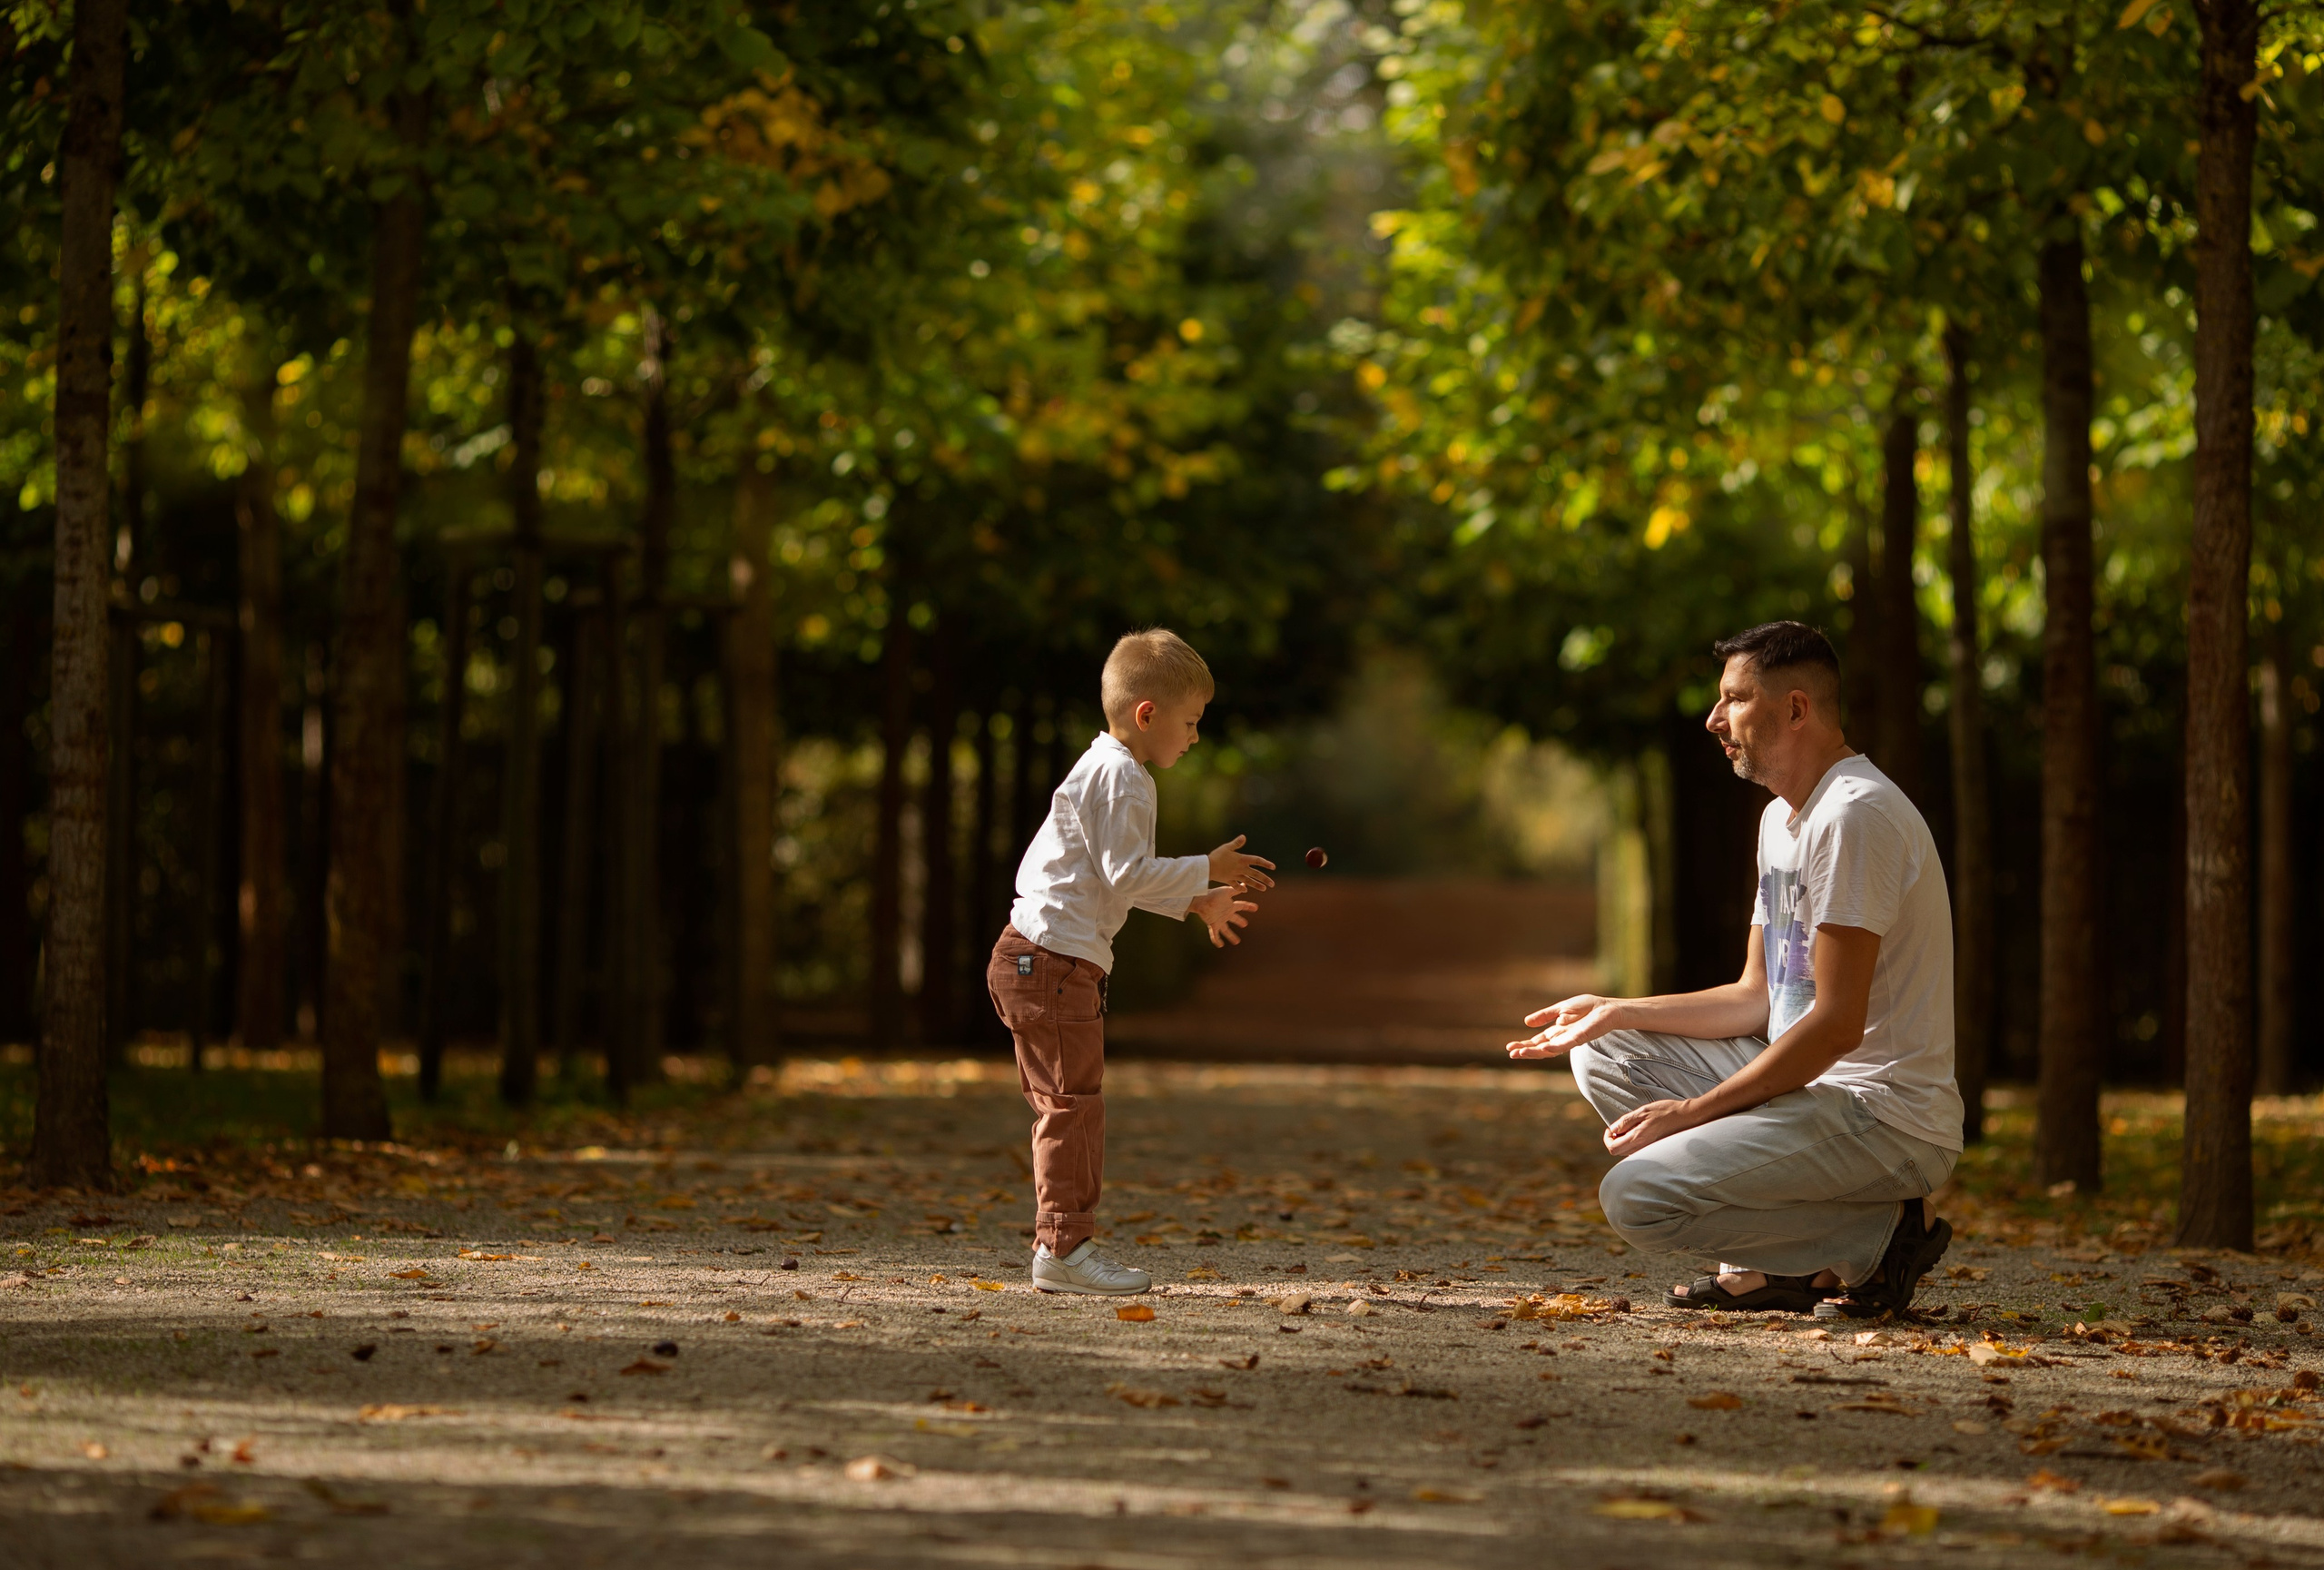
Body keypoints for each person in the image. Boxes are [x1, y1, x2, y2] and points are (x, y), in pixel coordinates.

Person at [1508, 621, 1962, 1318]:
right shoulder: (1780, 821)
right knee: (1602, 1049)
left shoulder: (1854, 816)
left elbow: (1837, 1026)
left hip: (1885, 1119)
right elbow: (1757, 997)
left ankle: (1877, 1236)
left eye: (1734, 699)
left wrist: (1693, 1112)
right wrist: (1619, 1008)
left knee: (1637, 1197)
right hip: (1812, 1093)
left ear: (1796, 708)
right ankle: (1774, 1269)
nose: (1715, 718)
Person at [987, 628, 1274, 1295]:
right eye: (1192, 722)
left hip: (1048, 958)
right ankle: (1063, 1247)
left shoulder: (1111, 769)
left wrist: (1194, 903)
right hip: (1050, 962)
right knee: (1071, 1108)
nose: (1195, 737)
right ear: (1149, 714)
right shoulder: (1124, 778)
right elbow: (1125, 875)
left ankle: (1065, 1243)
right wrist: (1205, 869)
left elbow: (1115, 878)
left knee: (1070, 1106)